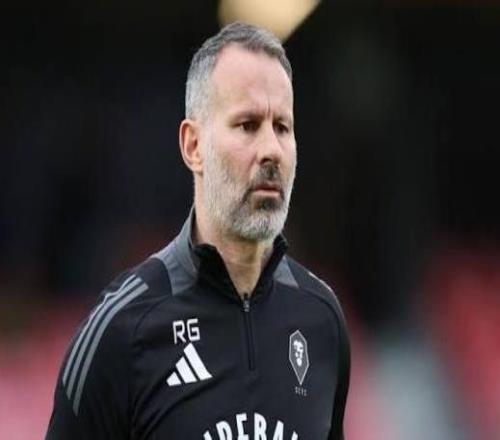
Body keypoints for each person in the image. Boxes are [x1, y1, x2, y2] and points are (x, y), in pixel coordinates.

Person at [46, 22, 350, 440]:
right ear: (193, 146)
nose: (271, 150)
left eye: (282, 127)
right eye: (247, 125)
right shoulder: (122, 330)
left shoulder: (321, 319)